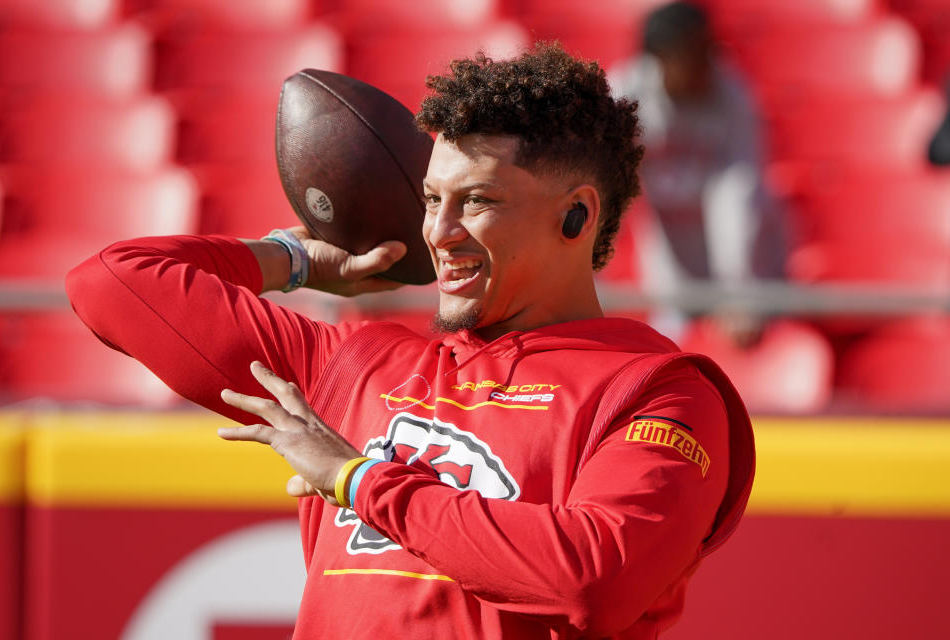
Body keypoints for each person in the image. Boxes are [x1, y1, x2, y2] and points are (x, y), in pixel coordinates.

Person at [66, 44, 754, 639]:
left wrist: (355, 478)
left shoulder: (660, 390)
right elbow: (111, 284)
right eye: (431, 199)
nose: (439, 232)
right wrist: (295, 259)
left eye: (477, 201)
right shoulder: (353, 363)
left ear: (576, 214)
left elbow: (595, 579)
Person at [609, 2, 787, 341]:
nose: (707, 62)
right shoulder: (626, 94)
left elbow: (741, 192)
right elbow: (605, 187)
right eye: (694, 52)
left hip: (748, 248)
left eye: (709, 48)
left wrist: (739, 289)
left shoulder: (733, 94)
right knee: (674, 334)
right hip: (670, 242)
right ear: (659, 58)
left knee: (749, 339)